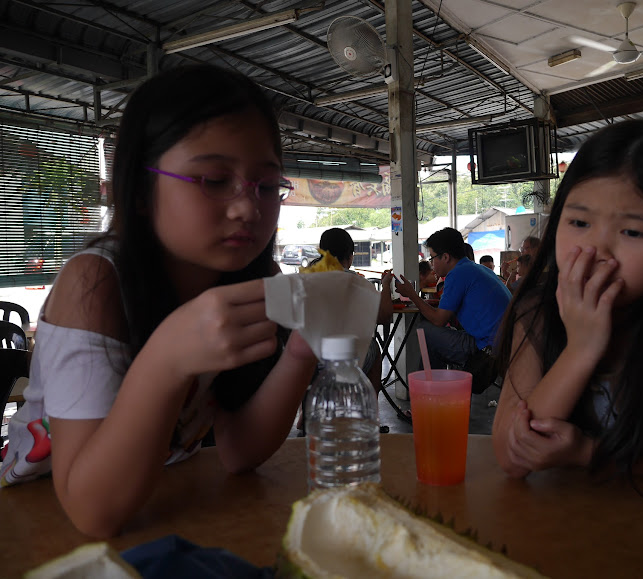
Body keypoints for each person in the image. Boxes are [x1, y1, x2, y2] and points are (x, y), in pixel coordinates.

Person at [0, 64, 319, 537]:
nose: (247, 207)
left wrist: (302, 352)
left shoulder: (249, 280)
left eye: (268, 185)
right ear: (141, 190)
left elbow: (238, 451)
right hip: (39, 519)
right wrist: (168, 358)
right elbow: (92, 511)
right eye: (214, 179)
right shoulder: (95, 284)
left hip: (159, 507)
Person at [492, 120, 643, 480]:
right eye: (579, 223)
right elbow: (512, 457)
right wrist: (581, 348)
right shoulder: (537, 314)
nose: (596, 250)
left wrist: (589, 454)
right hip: (551, 510)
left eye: (632, 231)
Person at [394, 228, 511, 376]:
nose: (432, 264)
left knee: (425, 329)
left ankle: (430, 385)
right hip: (506, 342)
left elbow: (438, 320)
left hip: (487, 348)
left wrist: (412, 295)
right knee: (435, 343)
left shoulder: (456, 274)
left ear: (446, 257)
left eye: (432, 258)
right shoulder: (477, 269)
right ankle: (436, 384)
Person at [315, 227, 394, 393]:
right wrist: (386, 285)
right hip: (342, 361)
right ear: (350, 256)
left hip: (308, 361)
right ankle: (370, 405)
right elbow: (384, 317)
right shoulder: (358, 283)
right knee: (372, 347)